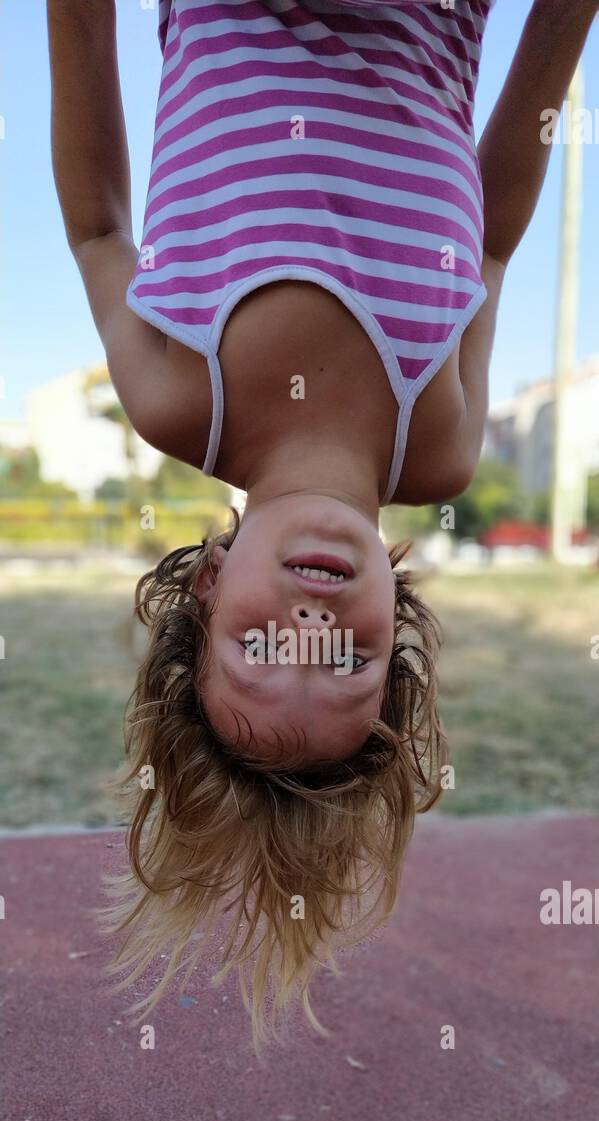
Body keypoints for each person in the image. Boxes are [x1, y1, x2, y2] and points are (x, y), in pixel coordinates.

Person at [48, 0, 598, 1040]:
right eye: (348, 660)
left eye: (260, 645)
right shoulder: (435, 443)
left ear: (206, 586)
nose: (312, 622)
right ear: (399, 624)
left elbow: (93, 227)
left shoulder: (179, 391)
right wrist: (562, 27)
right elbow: (490, 240)